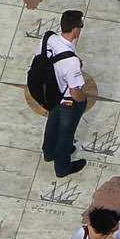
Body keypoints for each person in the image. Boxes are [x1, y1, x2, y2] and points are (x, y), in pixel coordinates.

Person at [39, 9, 88, 178]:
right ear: (76, 29)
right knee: (66, 134)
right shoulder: (71, 62)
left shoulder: (49, 38)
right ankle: (62, 167)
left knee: (52, 123)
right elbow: (75, 92)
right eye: (81, 25)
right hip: (66, 100)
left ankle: (49, 152)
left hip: (49, 93)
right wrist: (83, 101)